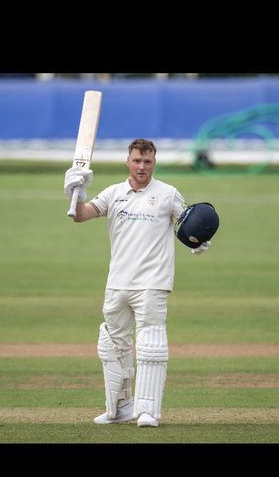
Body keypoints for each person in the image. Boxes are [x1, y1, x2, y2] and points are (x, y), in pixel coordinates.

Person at [64, 138, 211, 427]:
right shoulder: (113, 193)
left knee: (150, 345)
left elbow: (189, 223)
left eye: (147, 161)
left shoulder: (167, 194)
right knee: (112, 346)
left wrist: (198, 241)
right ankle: (119, 408)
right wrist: (75, 192)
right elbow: (80, 215)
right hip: (117, 283)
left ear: (154, 162)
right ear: (128, 161)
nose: (142, 166)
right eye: (137, 161)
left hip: (152, 283)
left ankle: (148, 411)